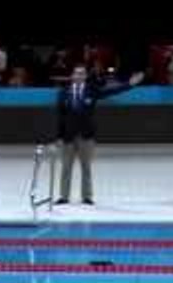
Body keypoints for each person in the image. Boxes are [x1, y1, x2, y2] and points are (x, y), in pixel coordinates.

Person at [56, 65, 145, 205]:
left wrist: (129, 84)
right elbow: (60, 116)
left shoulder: (91, 90)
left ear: (85, 76)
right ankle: (63, 196)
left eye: (82, 73)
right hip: (68, 137)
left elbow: (111, 91)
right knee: (66, 168)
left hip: (86, 136)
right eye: (76, 73)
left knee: (86, 168)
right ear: (72, 75)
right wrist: (59, 137)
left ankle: (87, 196)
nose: (79, 76)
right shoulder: (63, 92)